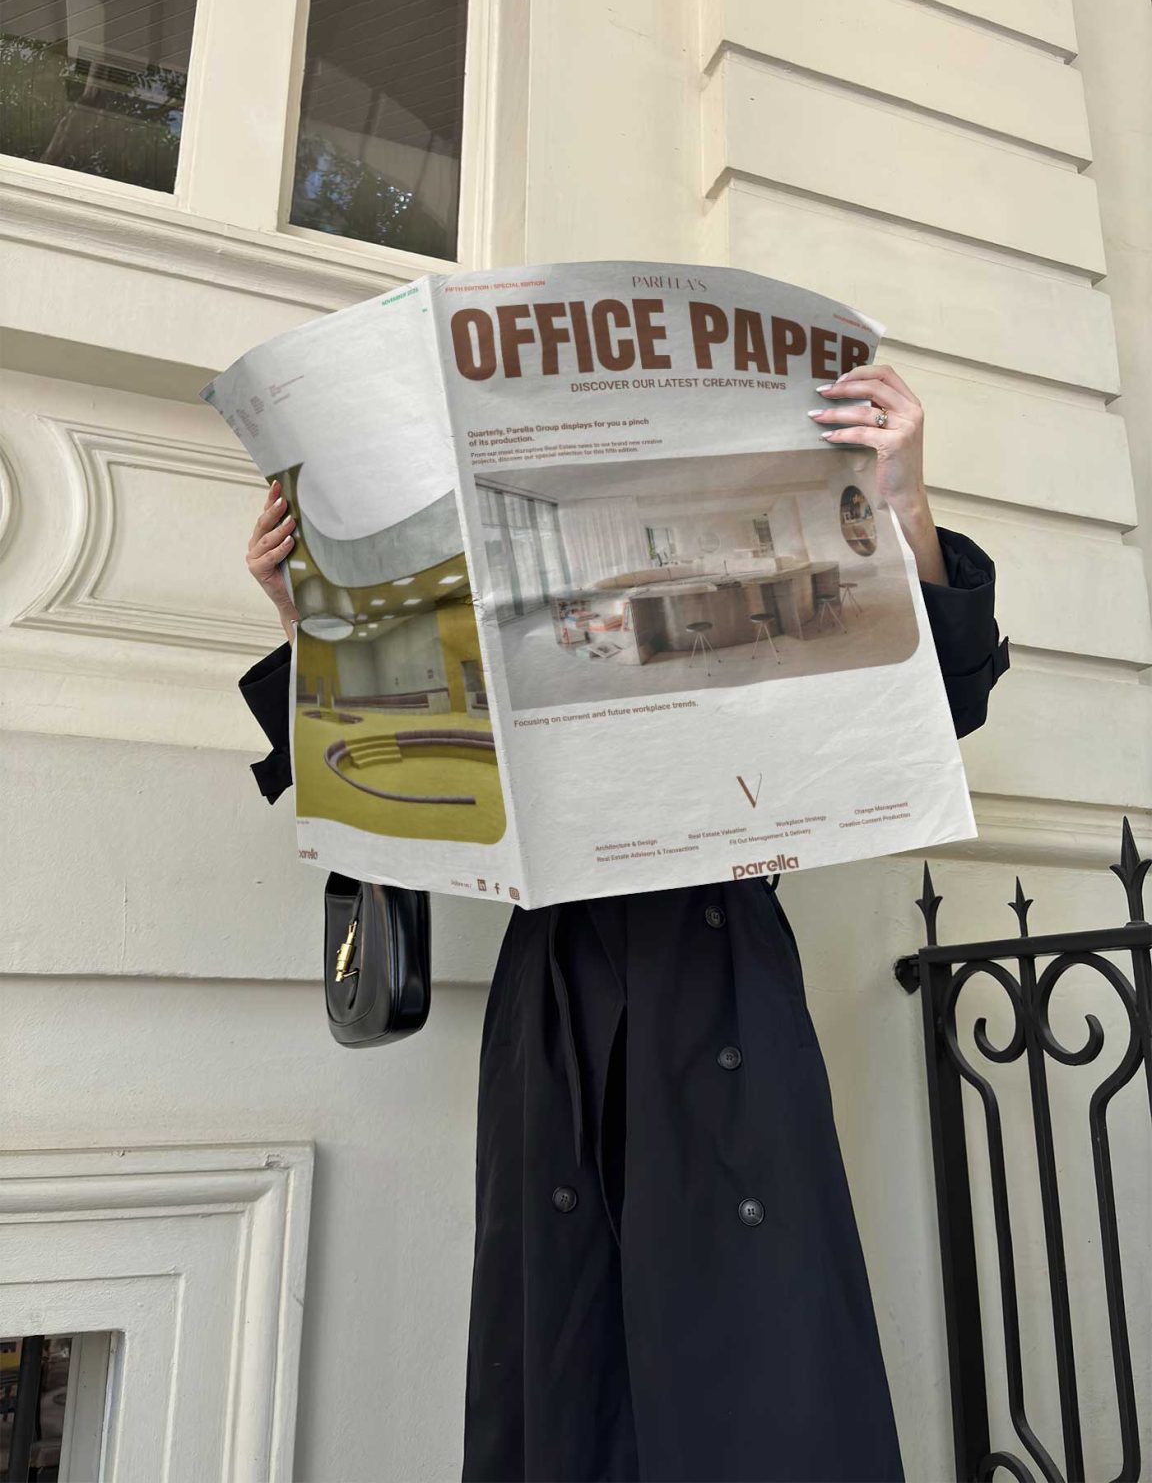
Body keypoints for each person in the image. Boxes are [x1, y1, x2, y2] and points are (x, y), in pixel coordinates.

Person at [237, 365, 1009, 1483]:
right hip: (555, 986)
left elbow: (942, 702)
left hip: (720, 967)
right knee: (568, 1365)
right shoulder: (511, 611)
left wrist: (906, 500)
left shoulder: (749, 603)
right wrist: (301, 606)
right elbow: (378, 773)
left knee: (761, 1361)